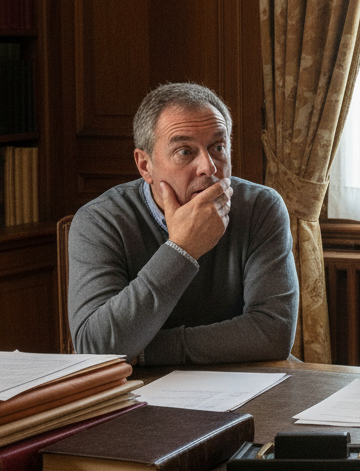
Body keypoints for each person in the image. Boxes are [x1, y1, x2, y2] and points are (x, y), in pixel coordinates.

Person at [67, 82, 299, 365]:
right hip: (141, 391)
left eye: (218, 147)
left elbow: (273, 334)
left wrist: (144, 351)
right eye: (185, 152)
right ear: (145, 166)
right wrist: (181, 249)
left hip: (249, 379)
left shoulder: (261, 207)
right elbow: (97, 348)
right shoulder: (101, 220)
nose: (209, 167)